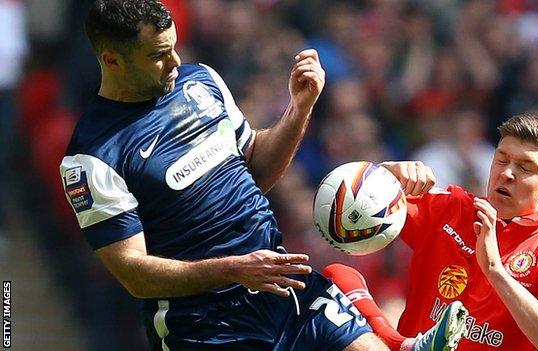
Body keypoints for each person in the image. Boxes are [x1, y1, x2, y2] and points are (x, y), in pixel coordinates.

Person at [59, 1, 464, 350]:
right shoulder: (94, 156)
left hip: (282, 283)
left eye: (174, 46)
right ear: (112, 59)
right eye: (158, 54)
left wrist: (299, 109)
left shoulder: (201, 82)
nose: (176, 61)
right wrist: (234, 268)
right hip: (204, 326)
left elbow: (255, 169)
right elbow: (134, 273)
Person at [326, 114, 538, 350]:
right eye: (502, 160)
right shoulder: (450, 208)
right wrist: (383, 175)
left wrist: (495, 270)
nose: (507, 173)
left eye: (525, 167)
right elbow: (340, 211)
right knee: (334, 277)